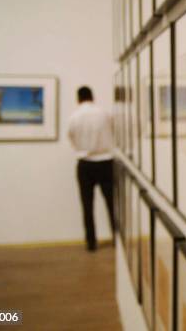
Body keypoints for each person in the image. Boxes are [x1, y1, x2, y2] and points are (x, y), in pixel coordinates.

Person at [68, 86, 115, 251]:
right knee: (111, 203)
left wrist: (84, 149)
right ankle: (117, 238)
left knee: (87, 205)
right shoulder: (104, 114)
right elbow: (113, 132)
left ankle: (91, 242)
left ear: (78, 98)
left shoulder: (74, 117)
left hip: (85, 163)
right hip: (106, 162)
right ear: (92, 96)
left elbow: (72, 138)